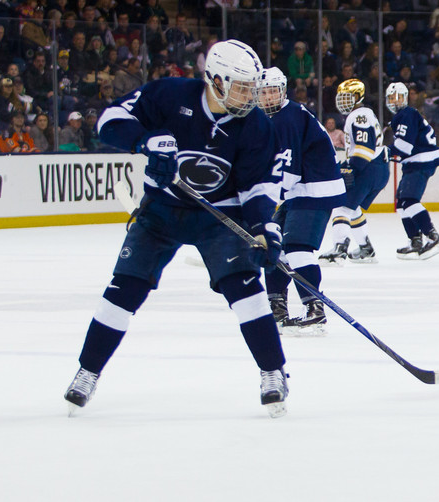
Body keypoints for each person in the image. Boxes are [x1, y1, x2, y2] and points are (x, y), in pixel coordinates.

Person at [63, 40, 291, 418]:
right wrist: (146, 140)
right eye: (240, 87)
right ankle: (87, 371)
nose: (249, 96)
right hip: (161, 211)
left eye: (252, 88)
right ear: (215, 80)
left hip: (218, 215)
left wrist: (265, 226)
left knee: (246, 290)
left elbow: (258, 187)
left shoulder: (255, 125)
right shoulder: (169, 94)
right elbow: (108, 121)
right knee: (125, 289)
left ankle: (274, 372)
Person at [257, 67, 346, 336]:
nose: (269, 96)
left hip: (314, 189)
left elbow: (290, 175)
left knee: (297, 249)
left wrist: (260, 200)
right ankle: (276, 307)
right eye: (264, 92)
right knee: (273, 246)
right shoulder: (275, 117)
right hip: (302, 190)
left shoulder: (287, 118)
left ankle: (314, 309)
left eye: (274, 90)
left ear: (283, 91)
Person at [318, 78, 390, 266]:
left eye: (347, 96)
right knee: (353, 207)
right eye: (340, 97)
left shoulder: (359, 115)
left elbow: (365, 146)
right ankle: (365, 248)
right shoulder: (364, 114)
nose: (342, 100)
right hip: (377, 168)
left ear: (359, 96)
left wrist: (352, 167)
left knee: (341, 207)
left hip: (368, 167)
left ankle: (339, 249)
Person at [386, 82, 439, 260]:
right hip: (414, 162)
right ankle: (415, 241)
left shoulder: (407, 114)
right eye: (391, 98)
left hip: (420, 161)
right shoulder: (403, 115)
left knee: (410, 200)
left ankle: (433, 236)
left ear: (405, 98)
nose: (394, 101)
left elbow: (404, 146)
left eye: (398, 97)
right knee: (401, 203)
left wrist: (384, 152)